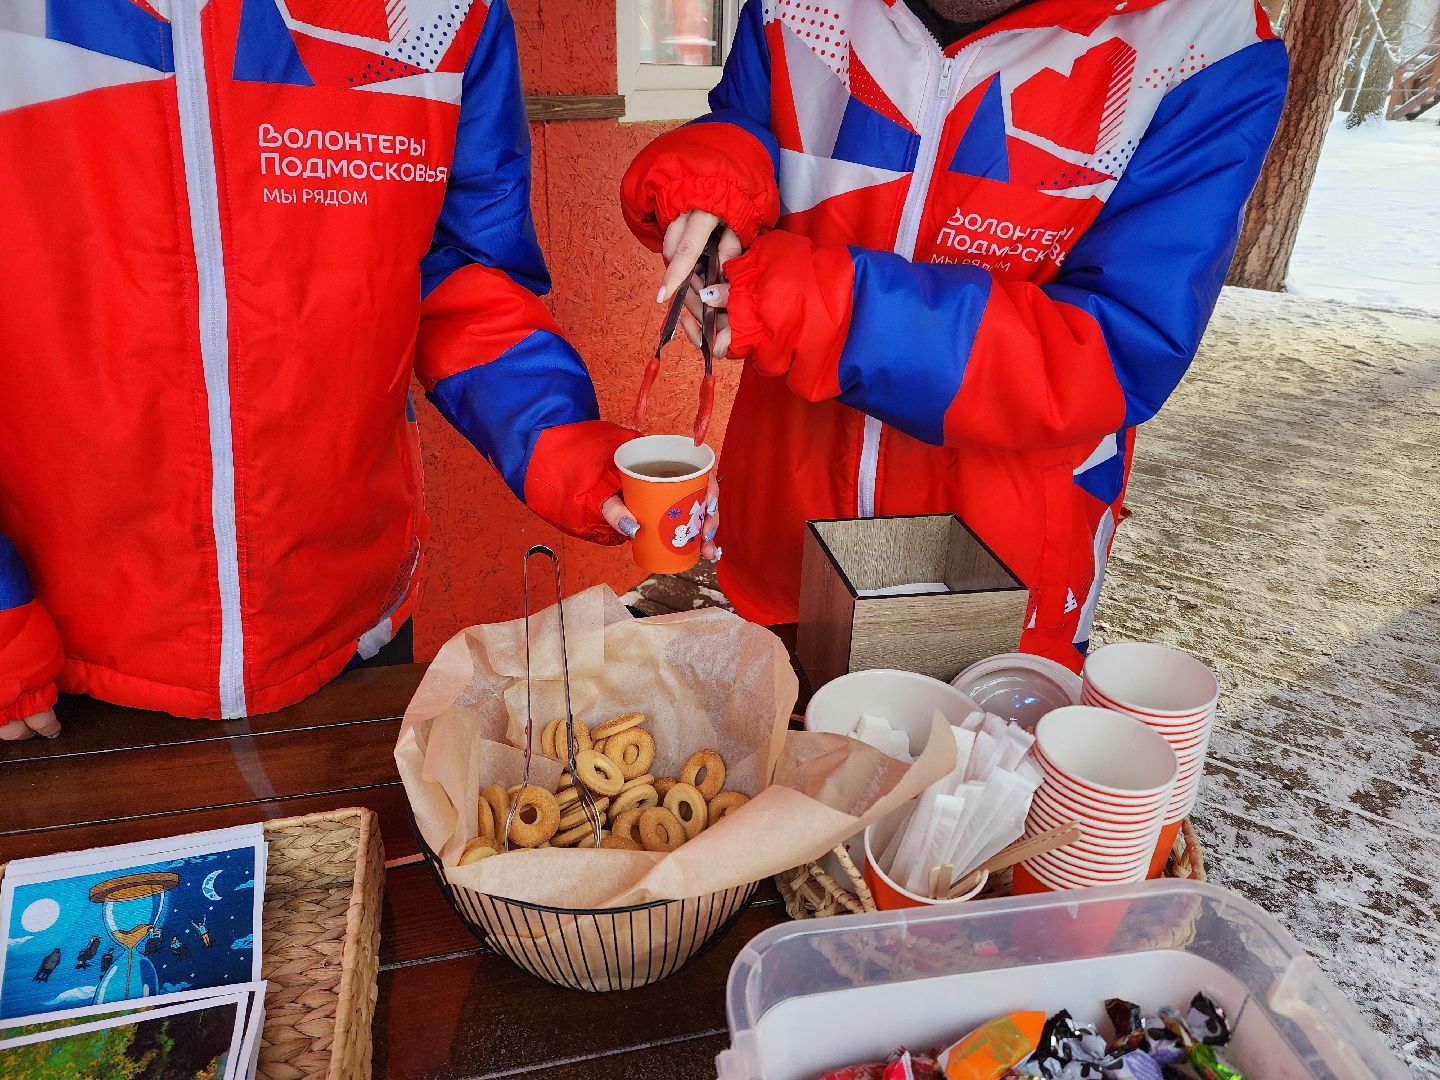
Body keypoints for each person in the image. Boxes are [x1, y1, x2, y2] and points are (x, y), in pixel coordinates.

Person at [0, 0, 691, 739]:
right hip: (47, 662)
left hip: (352, 623)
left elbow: (461, 273)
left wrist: (558, 439)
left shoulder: (441, 10)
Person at [621, 0, 1288, 671]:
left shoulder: (1208, 42)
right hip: (785, 521)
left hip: (994, 564)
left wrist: (834, 310)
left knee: (972, 768)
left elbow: (1118, 349)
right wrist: (715, 177)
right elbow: (752, 120)